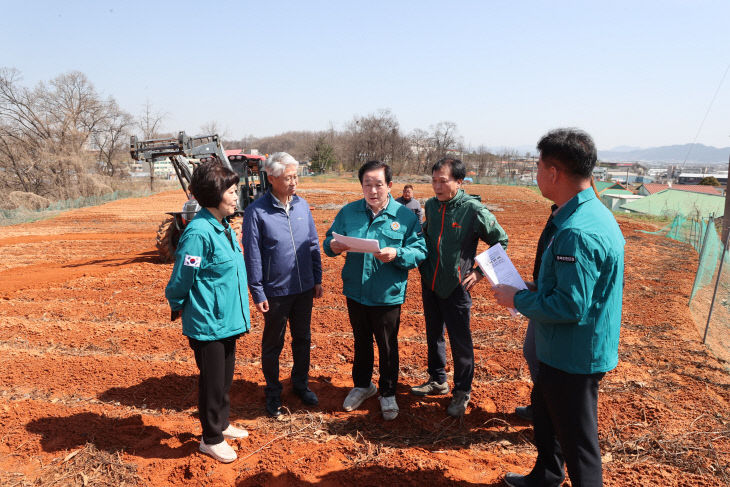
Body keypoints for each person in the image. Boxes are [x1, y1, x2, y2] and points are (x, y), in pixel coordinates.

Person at [492, 128, 625, 487]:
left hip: (573, 357)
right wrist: (536, 287)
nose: (536, 175)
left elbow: (570, 306)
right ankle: (546, 476)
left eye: (538, 167)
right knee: (548, 419)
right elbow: (574, 287)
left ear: (553, 173)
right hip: (560, 352)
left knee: (579, 445)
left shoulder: (577, 231)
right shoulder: (585, 213)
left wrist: (517, 298)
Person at [323, 160, 426, 421]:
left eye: (378, 184)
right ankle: (362, 386)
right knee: (361, 342)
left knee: (387, 345)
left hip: (386, 293)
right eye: (367, 184)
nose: (373, 190)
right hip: (356, 292)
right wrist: (332, 246)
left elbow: (420, 250)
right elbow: (328, 239)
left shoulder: (404, 216)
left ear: (389, 186)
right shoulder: (349, 212)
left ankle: (388, 392)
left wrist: (398, 253)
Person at [165, 161, 251, 464]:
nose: (236, 195)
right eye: (232, 190)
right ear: (215, 193)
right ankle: (210, 438)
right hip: (208, 321)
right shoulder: (199, 233)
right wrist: (176, 303)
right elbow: (183, 277)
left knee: (224, 379)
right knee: (212, 381)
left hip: (226, 318)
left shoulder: (223, 226)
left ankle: (222, 424)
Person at [412, 157, 508, 417]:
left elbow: (501, 242)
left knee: (460, 340)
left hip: (456, 287)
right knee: (434, 334)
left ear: (459, 181)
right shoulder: (431, 206)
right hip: (431, 282)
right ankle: (437, 379)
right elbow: (427, 235)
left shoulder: (473, 210)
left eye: (443, 181)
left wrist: (478, 273)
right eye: (433, 181)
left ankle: (462, 390)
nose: (437, 186)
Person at [242, 152, 323, 418]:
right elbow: (252, 253)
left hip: (303, 289)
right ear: (272, 178)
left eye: (296, 176)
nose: (294, 182)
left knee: (302, 338)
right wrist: (257, 290)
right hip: (275, 292)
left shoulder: (301, 206)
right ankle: (273, 393)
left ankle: (300, 384)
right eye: (288, 177)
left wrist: (317, 278)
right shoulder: (257, 212)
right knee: (273, 344)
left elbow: (312, 244)